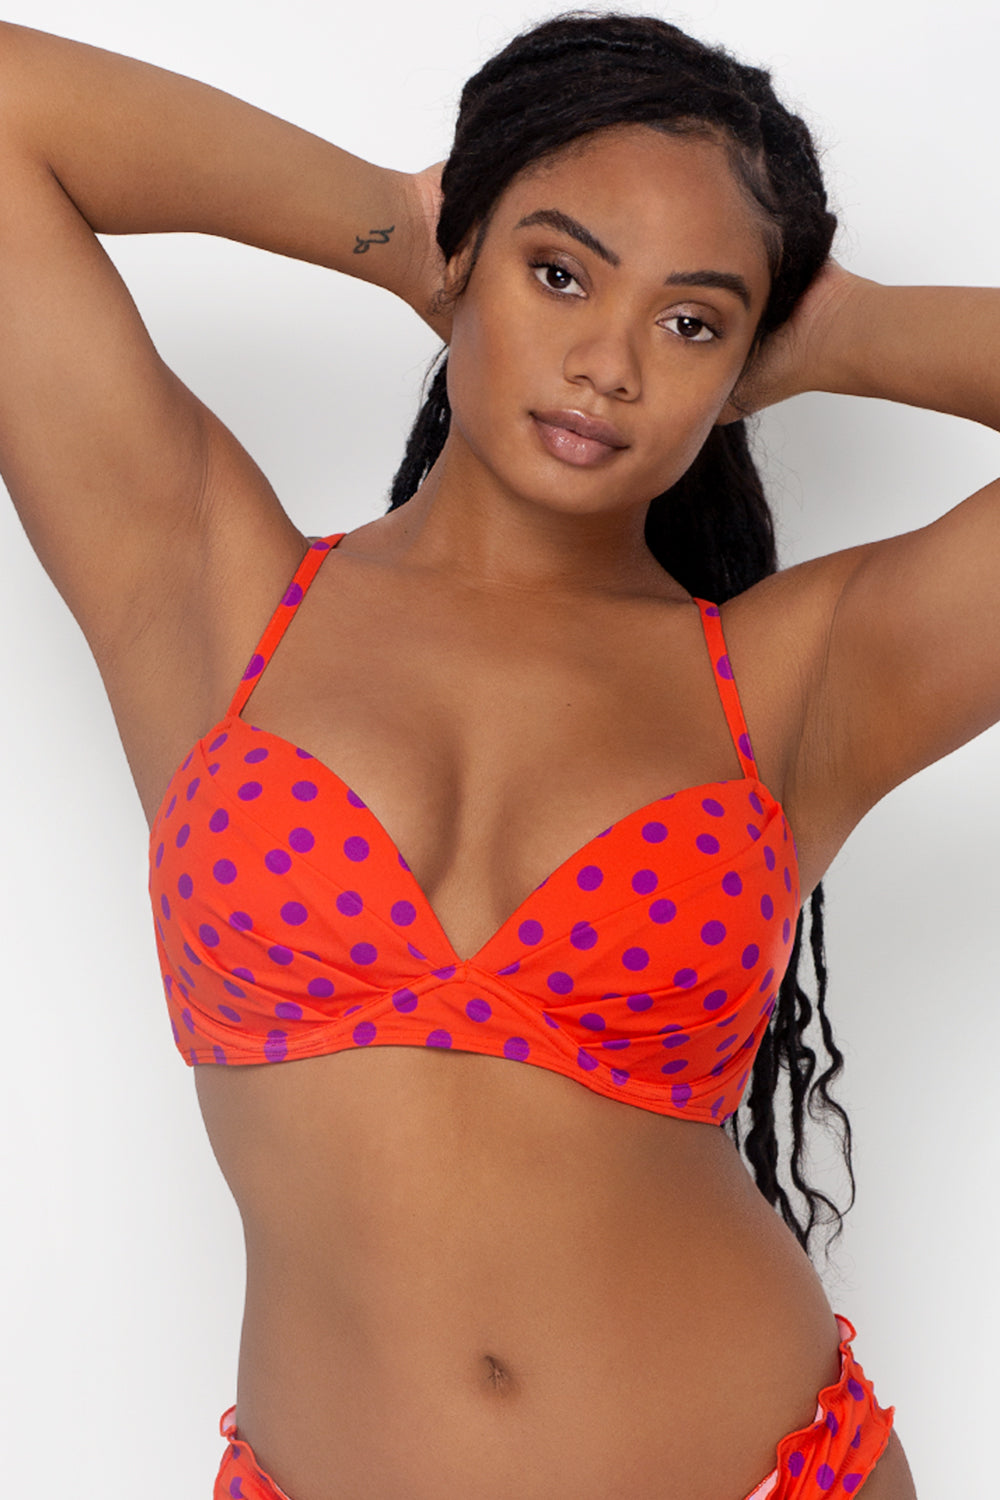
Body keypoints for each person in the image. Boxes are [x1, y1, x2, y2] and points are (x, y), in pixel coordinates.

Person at [14, 6, 999, 1495]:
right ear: (470, 258)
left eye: (690, 322)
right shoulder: (212, 595)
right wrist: (397, 227)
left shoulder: (797, 681)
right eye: (559, 272)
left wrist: (832, 331)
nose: (610, 361)